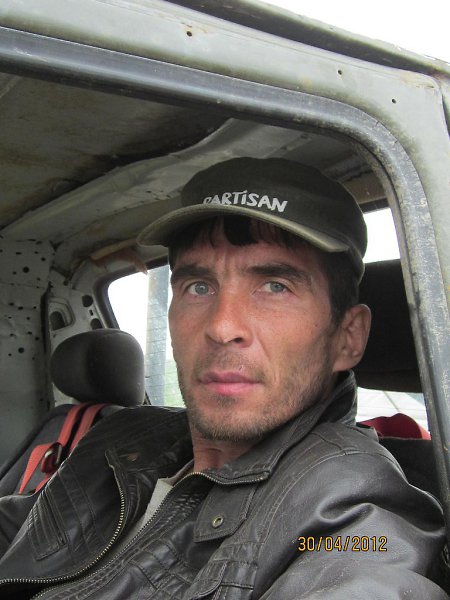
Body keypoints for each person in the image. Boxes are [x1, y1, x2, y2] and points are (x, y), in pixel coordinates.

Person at [0, 158, 446, 598]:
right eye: (199, 287)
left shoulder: (352, 511)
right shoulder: (125, 436)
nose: (221, 326)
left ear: (347, 337)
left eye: (275, 286)